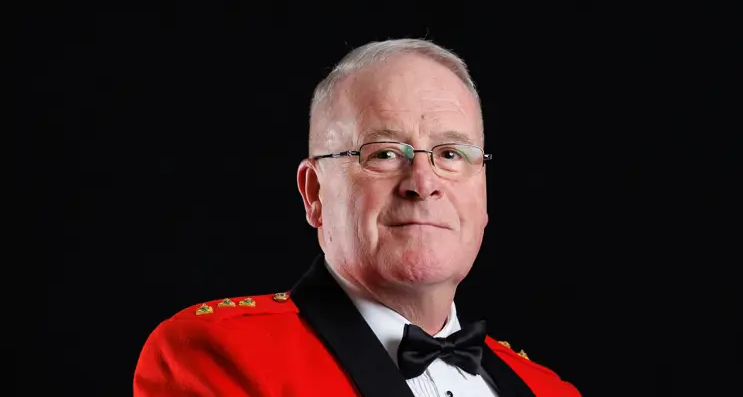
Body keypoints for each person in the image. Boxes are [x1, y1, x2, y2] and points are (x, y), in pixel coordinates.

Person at [134, 39, 581, 397]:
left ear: (482, 193)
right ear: (314, 193)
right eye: (384, 153)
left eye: (451, 154)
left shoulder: (550, 390)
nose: (423, 183)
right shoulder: (220, 353)